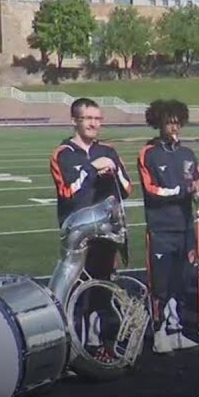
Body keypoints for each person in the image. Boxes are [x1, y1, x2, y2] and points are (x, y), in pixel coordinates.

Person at [48, 97, 132, 358]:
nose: (94, 124)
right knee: (77, 296)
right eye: (88, 118)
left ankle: (103, 346)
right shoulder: (62, 154)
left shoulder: (108, 150)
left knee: (102, 291)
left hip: (105, 235)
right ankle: (76, 351)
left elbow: (127, 189)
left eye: (98, 119)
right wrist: (91, 169)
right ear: (75, 120)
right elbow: (68, 191)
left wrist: (114, 171)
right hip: (78, 239)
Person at [136, 99, 199, 353]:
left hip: (184, 227)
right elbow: (152, 190)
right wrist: (181, 190)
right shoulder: (149, 153)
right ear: (158, 123)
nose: (173, 127)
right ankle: (159, 332)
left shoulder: (188, 154)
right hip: (161, 228)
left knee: (180, 280)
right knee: (160, 284)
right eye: (168, 122)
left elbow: (198, 183)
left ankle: (176, 329)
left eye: (177, 122)